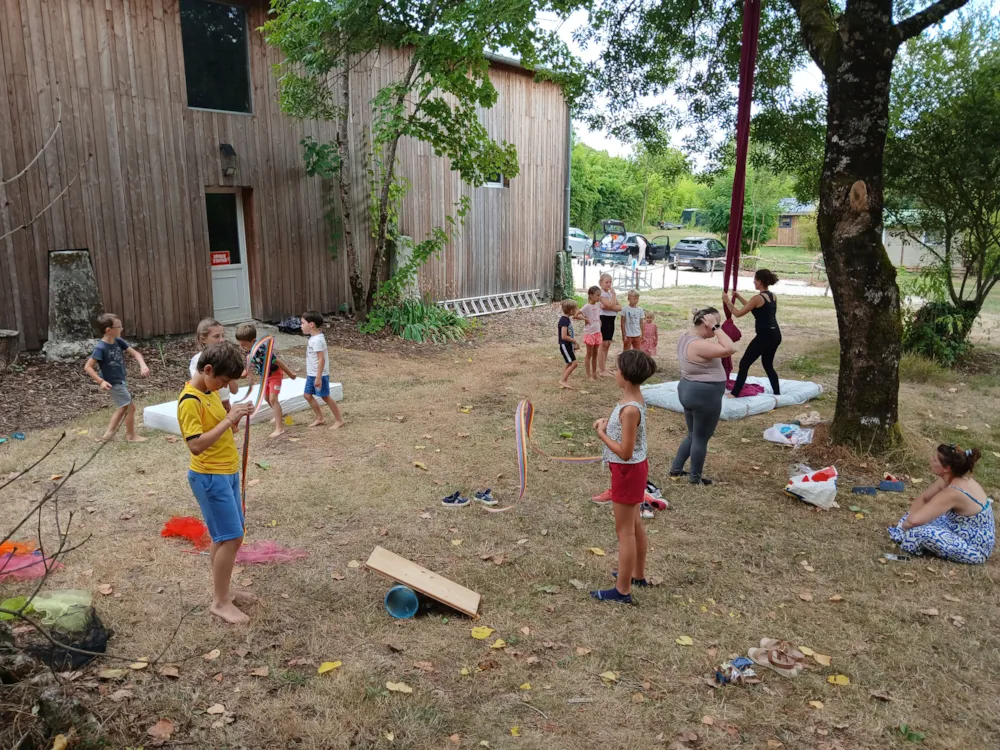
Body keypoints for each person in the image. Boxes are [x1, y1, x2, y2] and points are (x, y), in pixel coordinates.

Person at [179, 342, 255, 624]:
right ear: (208, 369)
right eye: (224, 380)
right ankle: (220, 602)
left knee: (225, 536)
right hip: (210, 477)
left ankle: (224, 590)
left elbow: (220, 426)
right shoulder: (190, 401)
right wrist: (229, 420)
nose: (225, 385)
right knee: (231, 536)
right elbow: (196, 445)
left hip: (227, 472)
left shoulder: (209, 391)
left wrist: (235, 417)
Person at [590, 349, 658, 605]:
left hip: (627, 471)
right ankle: (636, 574)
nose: (614, 372)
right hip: (629, 470)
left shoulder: (630, 409)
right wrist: (608, 425)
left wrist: (602, 435)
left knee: (625, 531)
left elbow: (626, 452)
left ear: (626, 375)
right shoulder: (633, 399)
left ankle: (622, 590)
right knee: (635, 525)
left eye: (617, 369)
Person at [888, 444, 994, 564]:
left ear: (946, 468)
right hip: (956, 527)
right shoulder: (951, 477)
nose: (931, 460)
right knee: (910, 517)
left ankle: (919, 546)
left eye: (935, 459)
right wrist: (909, 521)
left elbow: (914, 521)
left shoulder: (953, 492)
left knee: (915, 533)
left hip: (974, 546)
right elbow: (924, 498)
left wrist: (906, 526)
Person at [669, 307, 735, 486]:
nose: (717, 328)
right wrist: (716, 328)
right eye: (715, 324)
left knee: (692, 435)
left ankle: (676, 469)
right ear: (707, 324)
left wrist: (714, 326)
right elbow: (730, 348)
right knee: (700, 438)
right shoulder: (698, 344)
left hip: (688, 389)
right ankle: (695, 478)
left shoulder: (685, 336)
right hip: (704, 393)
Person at [83, 313, 151, 443]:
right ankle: (131, 436)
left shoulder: (118, 341)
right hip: (112, 383)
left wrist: (143, 366)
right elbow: (88, 367)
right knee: (131, 407)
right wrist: (101, 381)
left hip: (120, 380)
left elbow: (136, 354)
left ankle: (108, 435)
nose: (122, 329)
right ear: (109, 330)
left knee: (122, 408)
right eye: (119, 326)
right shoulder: (101, 348)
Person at [722, 269, 782, 397]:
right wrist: (738, 297)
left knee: (744, 363)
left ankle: (735, 393)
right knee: (767, 364)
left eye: (755, 279)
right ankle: (777, 393)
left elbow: (738, 313)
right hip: (775, 335)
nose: (753, 281)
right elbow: (751, 306)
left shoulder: (757, 298)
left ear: (760, 281)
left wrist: (727, 301)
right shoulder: (772, 296)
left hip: (764, 337)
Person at [235, 324, 297, 438]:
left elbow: (278, 362)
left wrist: (291, 374)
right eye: (240, 344)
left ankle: (280, 428)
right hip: (265, 378)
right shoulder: (250, 353)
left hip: (275, 375)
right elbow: (247, 371)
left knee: (273, 399)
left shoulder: (263, 350)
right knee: (267, 398)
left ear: (253, 341)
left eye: (243, 344)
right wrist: (235, 375)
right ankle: (278, 415)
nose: (241, 346)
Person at [300, 311, 344, 429]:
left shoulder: (317, 340)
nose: (301, 326)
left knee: (325, 396)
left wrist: (318, 377)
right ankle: (320, 418)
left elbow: (321, 360)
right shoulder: (313, 338)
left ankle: (339, 420)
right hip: (312, 374)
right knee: (307, 395)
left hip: (319, 375)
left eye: (303, 323)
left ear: (311, 324)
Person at [190, 318, 237, 423]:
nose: (221, 340)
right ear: (203, 339)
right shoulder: (198, 360)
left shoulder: (224, 359)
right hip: (210, 406)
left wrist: (230, 375)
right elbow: (201, 388)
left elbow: (234, 390)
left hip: (223, 405)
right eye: (216, 336)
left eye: (222, 336)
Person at [597, 273, 621, 377]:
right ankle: (601, 369)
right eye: (606, 282)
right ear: (601, 283)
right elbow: (611, 304)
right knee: (603, 345)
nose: (609, 284)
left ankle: (604, 368)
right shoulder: (601, 294)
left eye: (610, 282)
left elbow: (620, 307)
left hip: (611, 319)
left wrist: (610, 306)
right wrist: (613, 300)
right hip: (604, 319)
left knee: (608, 344)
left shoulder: (610, 294)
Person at [557, 299, 584, 389]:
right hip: (565, 345)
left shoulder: (567, 319)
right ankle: (563, 380)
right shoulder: (564, 321)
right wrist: (574, 340)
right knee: (574, 363)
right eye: (576, 308)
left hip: (568, 345)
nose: (577, 310)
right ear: (571, 311)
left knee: (569, 363)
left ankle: (564, 380)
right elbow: (564, 336)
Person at [580, 286, 603, 380]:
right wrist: (585, 318)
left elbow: (597, 316)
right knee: (589, 354)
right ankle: (588, 375)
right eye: (597, 295)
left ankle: (594, 373)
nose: (599, 297)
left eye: (599, 295)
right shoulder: (587, 306)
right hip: (590, 333)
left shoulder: (597, 305)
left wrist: (599, 322)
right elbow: (576, 315)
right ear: (591, 295)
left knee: (595, 354)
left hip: (597, 332)